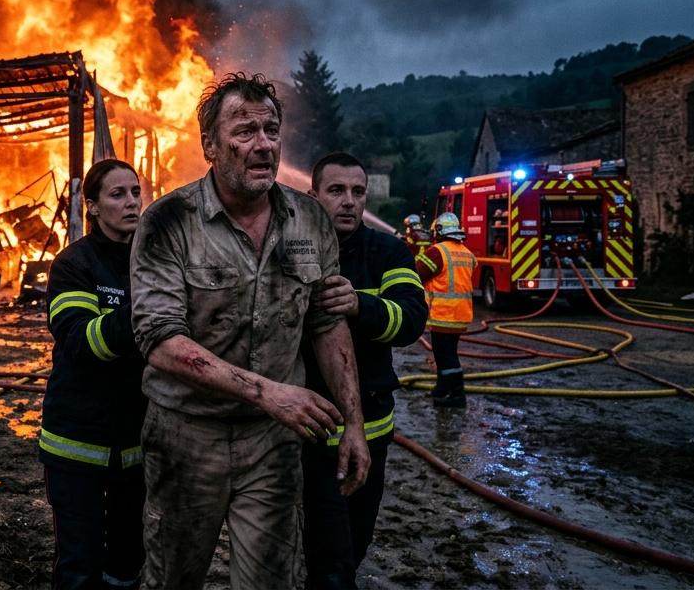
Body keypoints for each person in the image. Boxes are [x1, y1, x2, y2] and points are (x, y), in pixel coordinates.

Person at [130, 72, 370, 589]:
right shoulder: (168, 221)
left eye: (271, 129)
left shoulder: (309, 220)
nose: (263, 145)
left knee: (269, 582)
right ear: (210, 145)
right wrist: (268, 393)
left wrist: (354, 423)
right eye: (244, 132)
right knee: (173, 578)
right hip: (186, 436)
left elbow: (328, 322)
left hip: (272, 444)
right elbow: (161, 343)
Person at [303, 153, 429, 589]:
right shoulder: (291, 252)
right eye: (336, 191)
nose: (350, 202)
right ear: (312, 195)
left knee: (355, 543)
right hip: (309, 432)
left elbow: (412, 319)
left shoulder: (389, 252)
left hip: (372, 429)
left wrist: (361, 305)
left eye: (358, 192)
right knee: (330, 559)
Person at [41, 159, 146, 590]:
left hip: (136, 447)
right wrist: (146, 311)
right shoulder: (73, 265)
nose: (131, 202)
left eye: (136, 192)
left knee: (128, 561)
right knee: (79, 563)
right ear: (94, 208)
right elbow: (83, 343)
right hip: (76, 445)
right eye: (117, 194)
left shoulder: (155, 260)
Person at [416, 212, 477, 408]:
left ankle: (457, 395)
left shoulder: (437, 252)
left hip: (444, 314)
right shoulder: (467, 252)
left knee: (446, 356)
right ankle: (442, 389)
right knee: (446, 354)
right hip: (461, 313)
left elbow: (417, 273)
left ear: (439, 231)